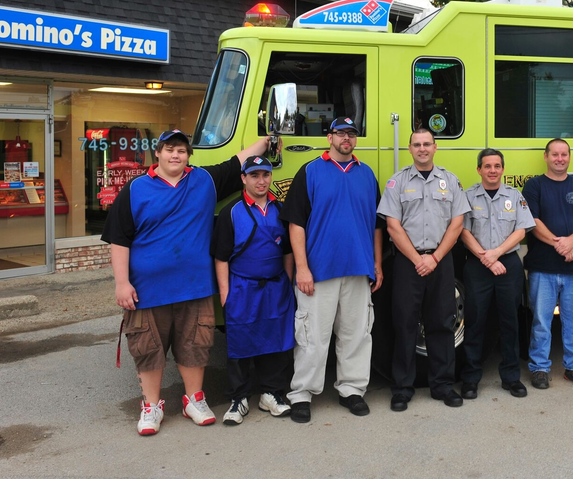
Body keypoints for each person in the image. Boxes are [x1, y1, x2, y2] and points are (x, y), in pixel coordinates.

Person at [103, 130, 270, 436]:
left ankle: (194, 399)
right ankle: (151, 406)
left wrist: (269, 139)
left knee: (196, 344)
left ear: (188, 156)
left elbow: (239, 161)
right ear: (158, 154)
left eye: (181, 150)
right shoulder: (136, 188)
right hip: (147, 290)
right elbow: (118, 238)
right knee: (147, 347)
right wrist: (122, 282)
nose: (175, 155)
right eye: (169, 150)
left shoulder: (204, 181)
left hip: (195, 286)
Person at [281, 117, 383, 423]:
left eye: (351, 134)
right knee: (313, 336)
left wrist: (376, 263)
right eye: (341, 133)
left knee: (356, 334)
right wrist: (301, 268)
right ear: (330, 138)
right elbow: (295, 222)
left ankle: (352, 389)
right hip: (319, 271)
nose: (347, 139)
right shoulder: (311, 171)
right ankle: (301, 394)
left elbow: (378, 225)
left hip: (358, 268)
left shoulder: (366, 174)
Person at [378, 127, 471, 412]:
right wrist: (418, 259)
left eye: (427, 144)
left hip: (441, 261)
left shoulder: (450, 181)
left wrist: (435, 258)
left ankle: (442, 385)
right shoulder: (397, 182)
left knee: (441, 323)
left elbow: (457, 223)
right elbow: (392, 225)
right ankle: (402, 388)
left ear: (435, 148)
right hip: (408, 262)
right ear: (409, 149)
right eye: (417, 144)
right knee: (404, 324)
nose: (422, 149)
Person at [213, 155, 295, 424]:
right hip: (242, 286)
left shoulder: (281, 208)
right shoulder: (232, 212)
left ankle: (271, 393)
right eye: (255, 175)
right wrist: (225, 291)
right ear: (244, 178)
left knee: (277, 339)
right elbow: (221, 256)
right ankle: (239, 398)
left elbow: (287, 250)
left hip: (276, 286)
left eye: (265, 175)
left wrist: (289, 281)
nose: (261, 181)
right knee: (240, 340)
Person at [521, 138, 573, 391]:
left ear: (569, 157)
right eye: (554, 154)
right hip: (542, 268)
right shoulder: (534, 185)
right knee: (541, 322)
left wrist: (572, 241)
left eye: (564, 154)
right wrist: (561, 245)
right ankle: (539, 368)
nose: (559, 159)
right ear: (545, 157)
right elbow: (531, 221)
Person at [459, 149, 536, 399]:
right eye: (487, 166)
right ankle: (470, 379)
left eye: (497, 166)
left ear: (503, 169)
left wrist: (496, 254)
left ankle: (511, 378)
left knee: (510, 322)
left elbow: (522, 230)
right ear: (479, 169)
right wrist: (486, 257)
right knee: (474, 321)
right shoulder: (468, 196)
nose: (492, 170)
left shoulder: (514, 196)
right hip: (477, 266)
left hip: (508, 265)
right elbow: (463, 232)